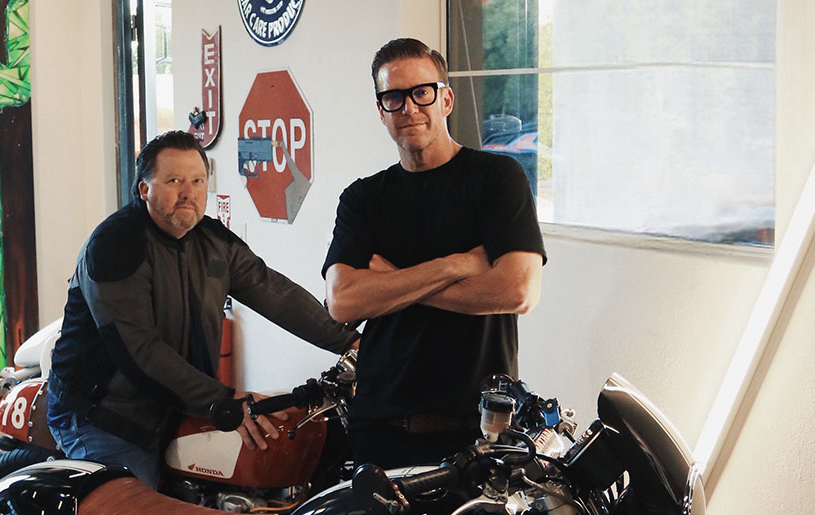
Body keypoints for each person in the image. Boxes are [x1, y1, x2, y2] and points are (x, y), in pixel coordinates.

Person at [47, 130, 359, 489]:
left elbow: (275, 294)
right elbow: (138, 351)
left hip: (177, 404)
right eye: (174, 180)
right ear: (144, 189)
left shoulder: (213, 242)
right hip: (106, 416)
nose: (188, 193)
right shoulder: (115, 246)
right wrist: (223, 399)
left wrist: (351, 343)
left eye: (197, 181)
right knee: (139, 504)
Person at [322, 38, 547, 469]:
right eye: (393, 97)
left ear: (445, 98)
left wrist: (391, 281)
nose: (408, 107)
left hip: (478, 433)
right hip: (381, 430)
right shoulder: (363, 198)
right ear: (380, 110)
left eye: (421, 92)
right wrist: (455, 265)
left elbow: (518, 290)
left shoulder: (497, 179)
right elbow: (344, 301)